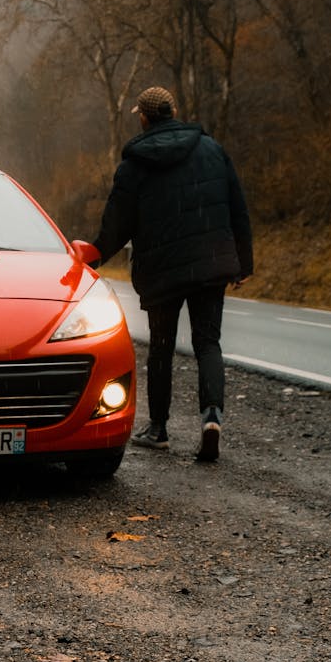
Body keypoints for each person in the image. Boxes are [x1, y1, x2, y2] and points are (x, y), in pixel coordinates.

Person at [92, 86, 253, 462]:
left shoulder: (134, 165)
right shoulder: (212, 150)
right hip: (212, 263)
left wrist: (94, 255)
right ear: (175, 111)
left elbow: (117, 225)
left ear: (143, 118)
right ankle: (211, 418)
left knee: (161, 347)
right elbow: (237, 208)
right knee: (208, 343)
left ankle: (159, 429)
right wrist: (243, 262)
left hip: (163, 271)